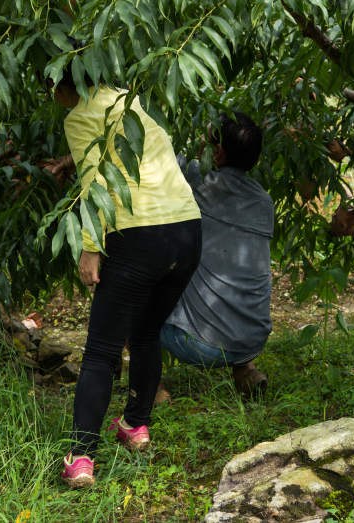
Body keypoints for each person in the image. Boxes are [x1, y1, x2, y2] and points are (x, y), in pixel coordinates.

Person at [49, 69, 202, 489]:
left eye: (51, 87)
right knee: (146, 333)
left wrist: (90, 245)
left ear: (65, 85)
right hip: (187, 231)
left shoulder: (79, 114)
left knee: (100, 350)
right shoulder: (125, 99)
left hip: (140, 236)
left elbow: (93, 182)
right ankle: (135, 426)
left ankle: (81, 458)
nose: (52, 97)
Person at [160, 111, 274, 399]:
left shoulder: (199, 181)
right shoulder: (263, 200)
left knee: (133, 290)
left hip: (197, 345)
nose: (198, 142)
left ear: (218, 152)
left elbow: (150, 151)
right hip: (253, 340)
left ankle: (151, 387)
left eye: (204, 137)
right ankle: (246, 372)